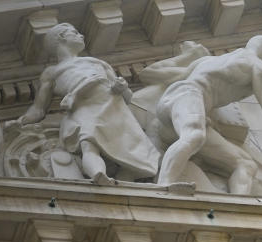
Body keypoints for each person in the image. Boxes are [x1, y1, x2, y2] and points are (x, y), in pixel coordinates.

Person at [150, 34, 262, 193]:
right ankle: (164, 187)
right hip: (188, 99)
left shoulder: (208, 61)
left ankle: (237, 205)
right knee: (195, 135)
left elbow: (161, 74)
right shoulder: (257, 66)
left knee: (245, 163)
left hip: (172, 108)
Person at [15, 23, 160, 185]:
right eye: (74, 32)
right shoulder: (52, 72)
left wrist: (122, 88)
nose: (81, 35)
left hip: (112, 107)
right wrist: (21, 121)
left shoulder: (98, 63)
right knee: (89, 144)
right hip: (84, 108)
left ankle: (126, 178)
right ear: (61, 37)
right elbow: (39, 109)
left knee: (132, 150)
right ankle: (99, 175)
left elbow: (127, 97)